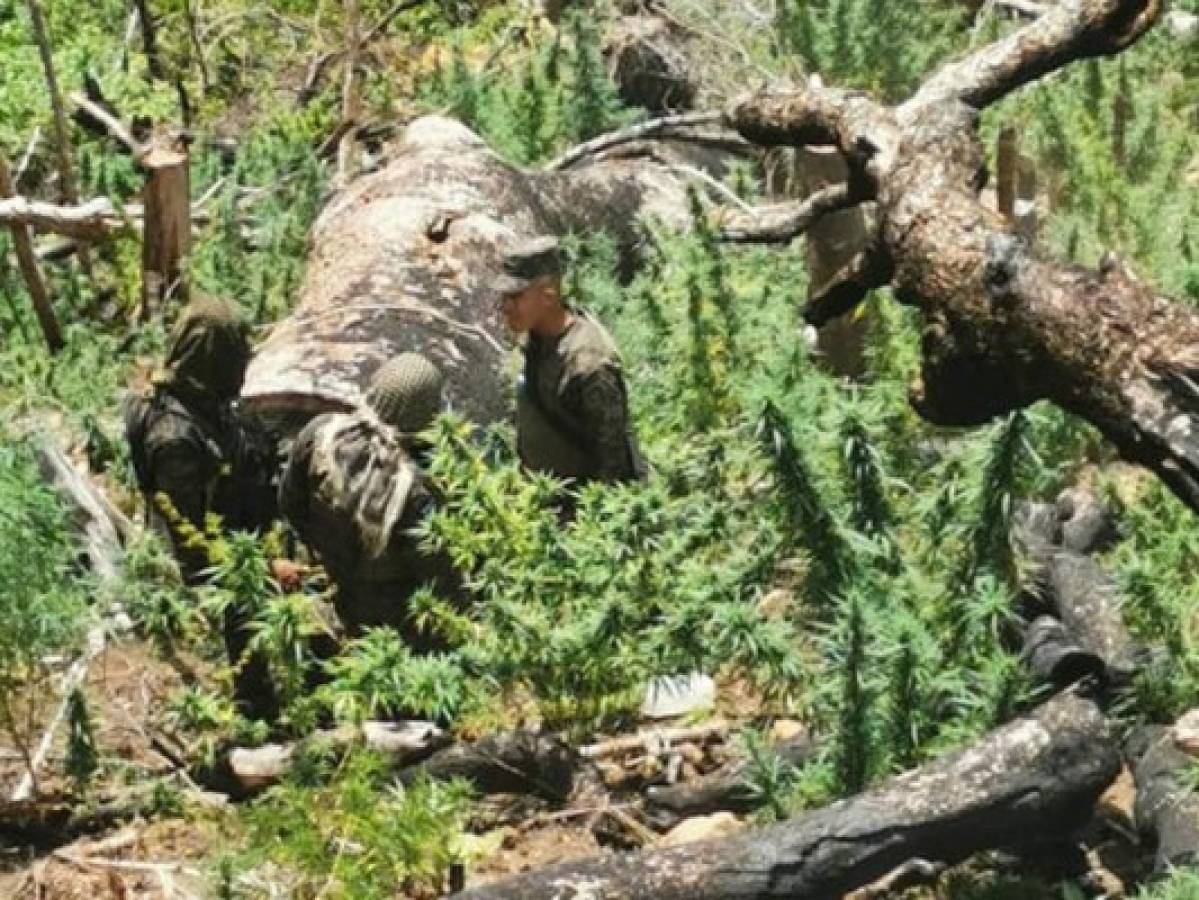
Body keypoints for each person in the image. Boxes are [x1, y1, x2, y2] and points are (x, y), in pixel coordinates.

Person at [123, 295, 281, 719]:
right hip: (219, 577)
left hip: (240, 541)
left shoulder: (200, 404)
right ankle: (257, 714)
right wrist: (261, 569)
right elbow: (191, 550)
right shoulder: (176, 440)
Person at [278, 352, 460, 643]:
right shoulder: (415, 491)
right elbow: (441, 578)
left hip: (321, 587)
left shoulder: (321, 433)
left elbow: (290, 504)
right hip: (387, 623)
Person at [496, 236, 645, 486]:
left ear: (548, 296)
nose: (505, 307)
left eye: (516, 297)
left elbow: (612, 462)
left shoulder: (589, 364)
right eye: (504, 297)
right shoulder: (535, 340)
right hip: (541, 496)